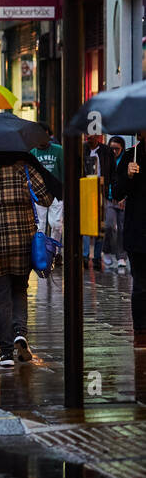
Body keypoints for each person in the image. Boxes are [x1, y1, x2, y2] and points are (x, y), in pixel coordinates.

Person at [0, 151, 55, 367]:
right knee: (19, 289)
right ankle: (20, 333)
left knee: (1, 298)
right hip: (22, 241)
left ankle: (6, 352)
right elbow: (46, 198)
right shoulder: (24, 168)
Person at [110, 133, 145, 339]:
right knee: (140, 283)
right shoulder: (131, 156)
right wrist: (128, 176)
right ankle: (140, 328)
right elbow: (117, 192)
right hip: (138, 229)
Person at [31, 125, 65, 265]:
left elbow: (63, 172)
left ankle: (55, 252)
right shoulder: (32, 153)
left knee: (56, 224)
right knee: (40, 226)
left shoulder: (58, 150)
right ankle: (42, 254)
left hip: (56, 193)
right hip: (38, 194)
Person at [81, 137, 115, 271]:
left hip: (102, 191)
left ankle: (96, 257)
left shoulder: (106, 151)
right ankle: (84, 256)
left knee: (102, 225)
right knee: (85, 225)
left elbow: (113, 172)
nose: (90, 138)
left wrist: (112, 191)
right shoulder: (81, 149)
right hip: (85, 191)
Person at [105, 136, 128, 272]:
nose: (114, 151)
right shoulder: (107, 158)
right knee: (109, 225)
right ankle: (107, 250)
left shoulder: (125, 160)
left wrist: (123, 197)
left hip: (122, 199)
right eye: (111, 148)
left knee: (122, 227)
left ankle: (121, 256)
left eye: (117, 149)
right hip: (109, 197)